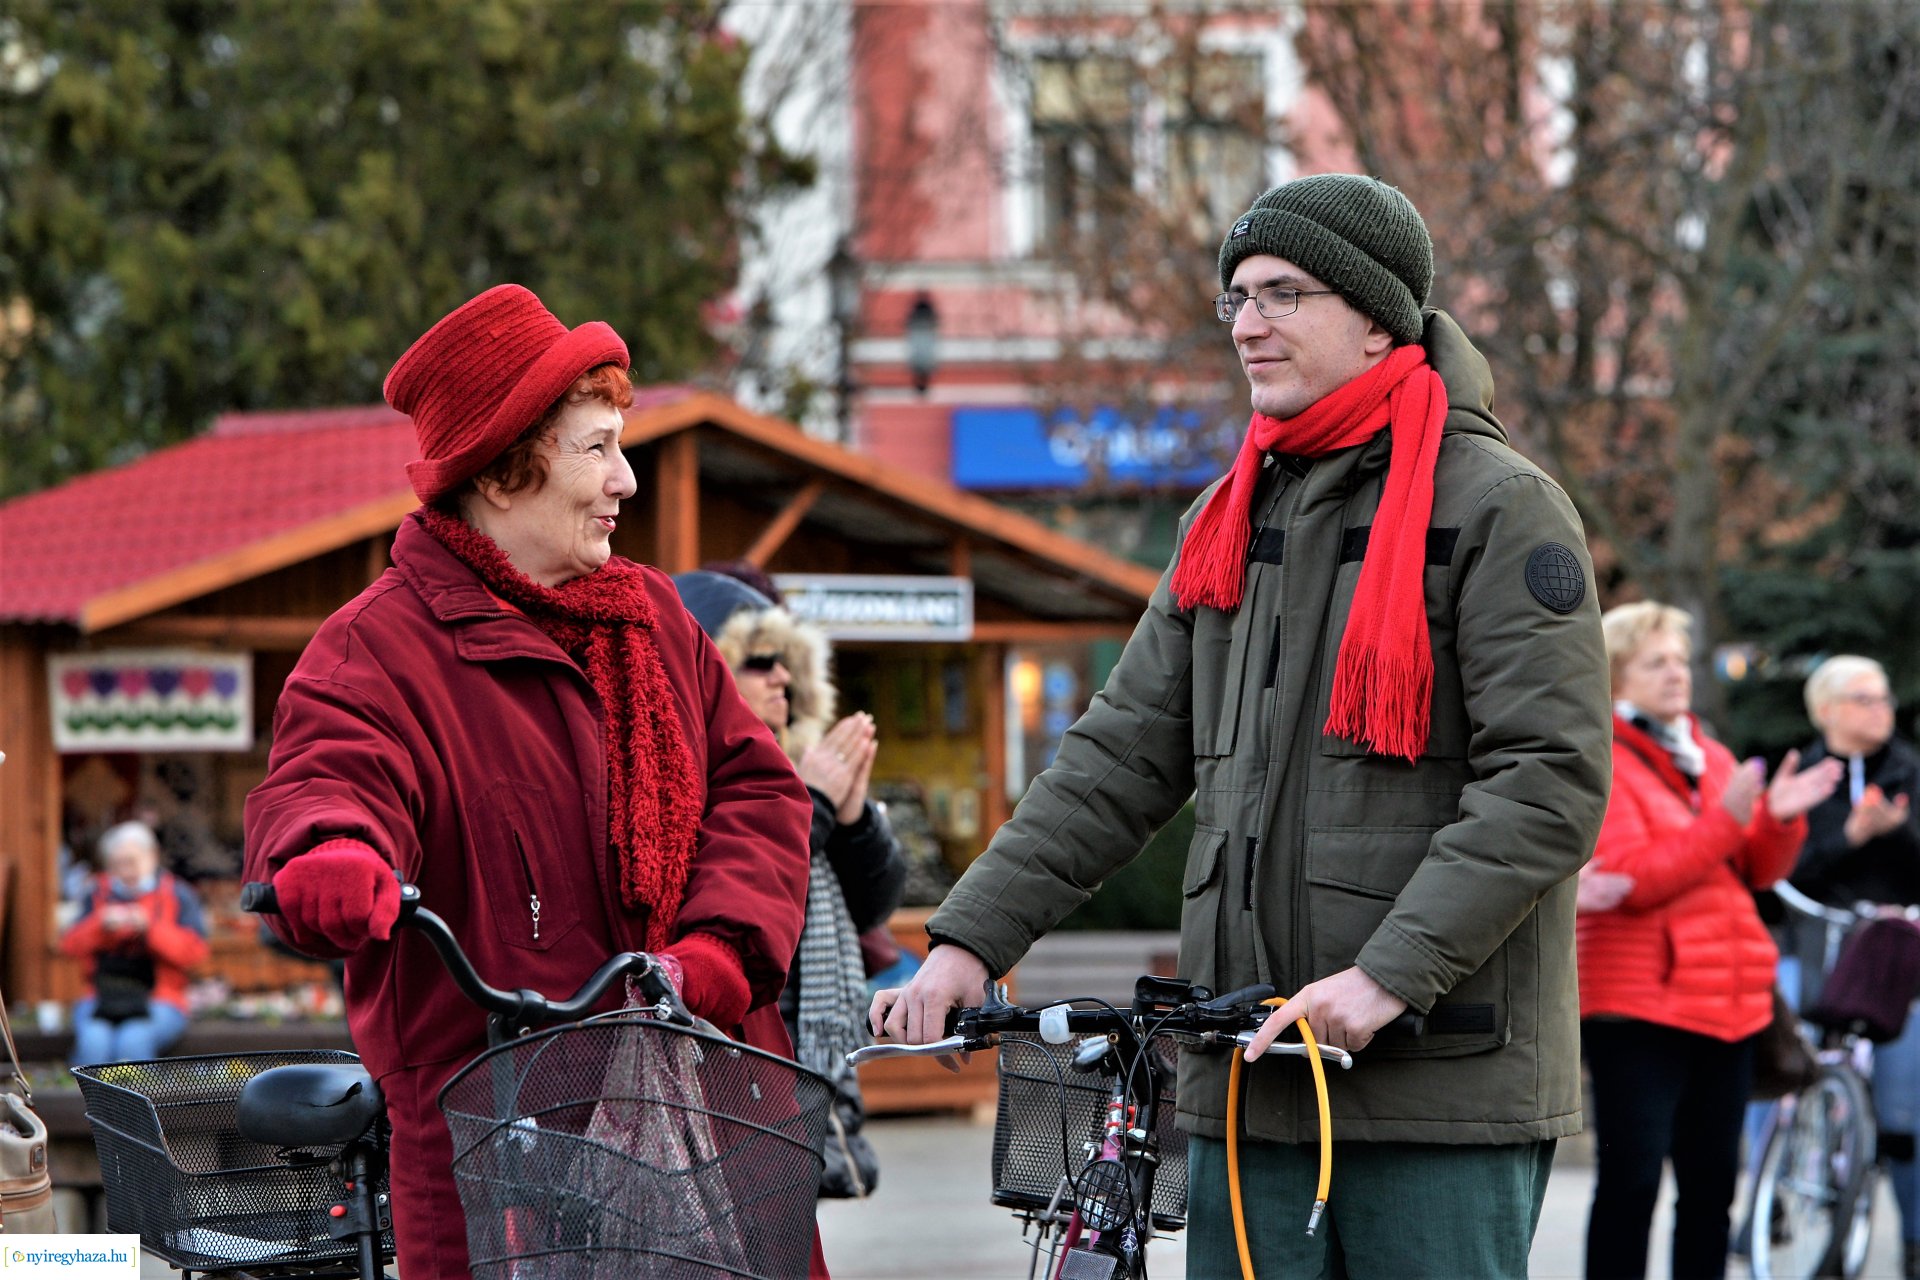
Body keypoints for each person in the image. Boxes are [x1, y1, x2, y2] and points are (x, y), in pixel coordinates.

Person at [873, 174, 1614, 1277]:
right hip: (1246, 1080)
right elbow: (1119, 754)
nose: (1248, 324)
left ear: (1377, 319)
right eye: (1238, 297)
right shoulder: (1226, 517)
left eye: (1283, 294)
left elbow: (1548, 783)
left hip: (1435, 1083)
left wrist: (1386, 977)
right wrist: (972, 938)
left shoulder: (1499, 506)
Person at [242, 285, 813, 1280]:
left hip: (709, 1119)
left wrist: (723, 944)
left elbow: (758, 792)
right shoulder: (378, 648)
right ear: (506, 471)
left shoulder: (653, 619)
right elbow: (332, 774)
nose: (625, 479)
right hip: (502, 1147)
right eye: (598, 447)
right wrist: (333, 851)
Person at [1576, 601, 1840, 1280]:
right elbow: (1632, 878)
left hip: (1729, 1003)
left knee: (1712, 1192)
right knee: (1631, 1186)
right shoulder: (1600, 757)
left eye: (1679, 660)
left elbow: (1756, 871)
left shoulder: (1710, 754)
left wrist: (1778, 822)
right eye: (1654, 662)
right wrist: (1727, 822)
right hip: (1637, 1006)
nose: (1676, 674)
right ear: (1614, 674)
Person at [673, 568, 908, 1198]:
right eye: (760, 661)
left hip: (802, 1070)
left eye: (788, 663)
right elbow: (741, 884)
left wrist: (854, 821)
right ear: (708, 667)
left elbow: (874, 906)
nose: (781, 677)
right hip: (735, 1063)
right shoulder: (685, 775)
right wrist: (818, 806)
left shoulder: (802, 767)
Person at [1788, 654, 1920, 1275]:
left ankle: (1914, 1237)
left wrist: (1896, 831)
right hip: (1819, 948)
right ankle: (1775, 1200)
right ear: (1827, 710)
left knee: (1902, 1107)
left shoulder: (1909, 771)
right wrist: (1850, 837)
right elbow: (1784, 871)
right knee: (1786, 1074)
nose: (1881, 710)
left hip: (1896, 955)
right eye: (1864, 699)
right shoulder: (1804, 775)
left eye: (1884, 697)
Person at [61, 820, 208, 1066]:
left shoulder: (178, 893)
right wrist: (100, 925)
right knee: (94, 1042)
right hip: (102, 997)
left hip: (160, 997)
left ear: (152, 857)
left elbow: (195, 953)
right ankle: (86, 1094)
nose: (126, 870)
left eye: (132, 861)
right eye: (117, 864)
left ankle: (135, 1094)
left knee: (133, 1039)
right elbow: (69, 945)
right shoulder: (95, 892)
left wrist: (149, 928)